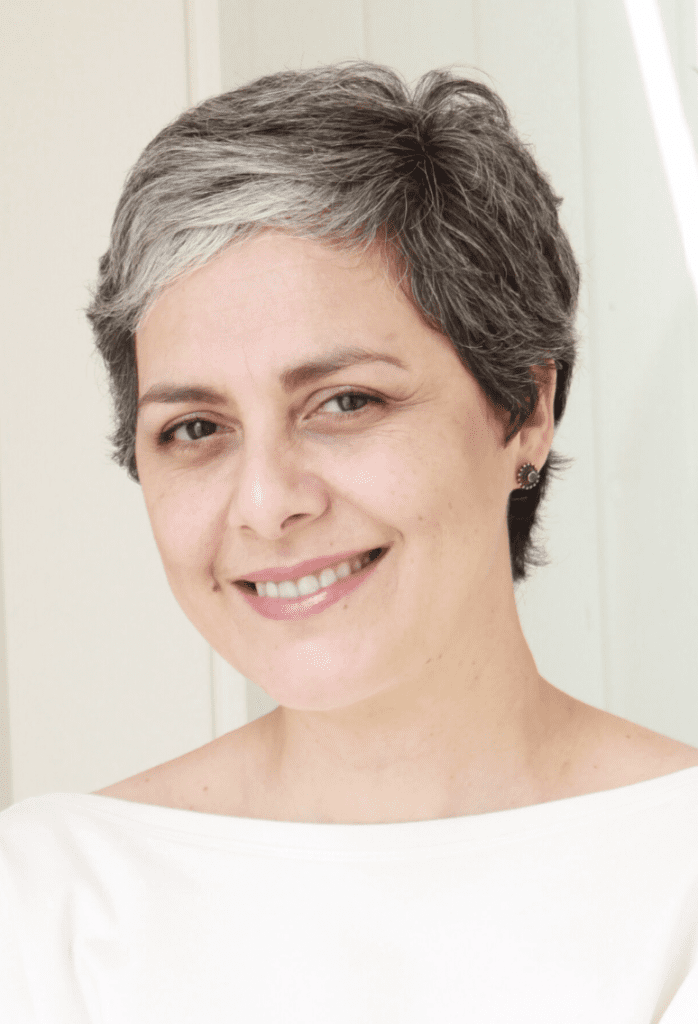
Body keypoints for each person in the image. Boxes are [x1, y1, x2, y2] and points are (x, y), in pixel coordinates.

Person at [2, 60, 698, 1022]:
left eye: (345, 402)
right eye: (195, 428)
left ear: (525, 408)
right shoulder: (45, 903)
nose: (266, 502)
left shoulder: (679, 873)